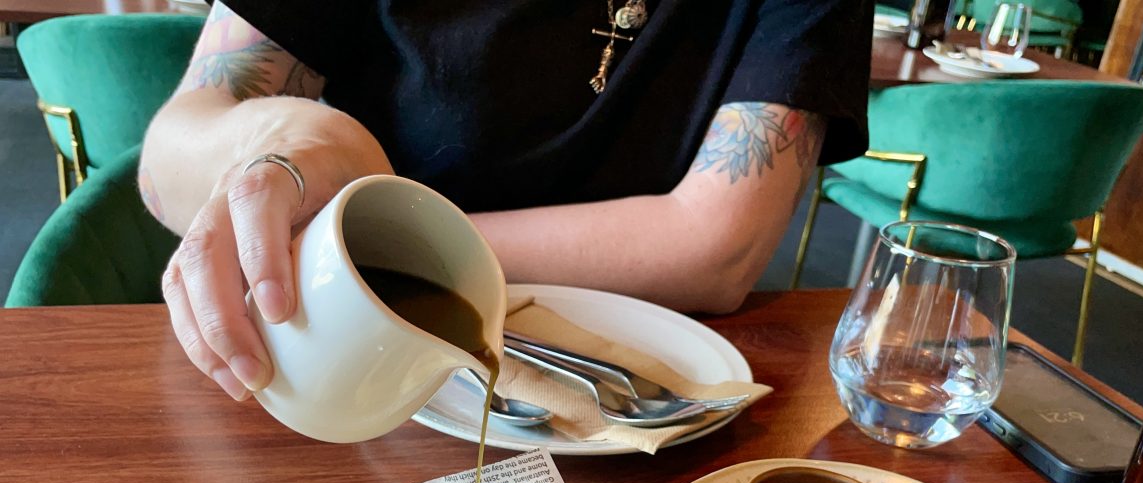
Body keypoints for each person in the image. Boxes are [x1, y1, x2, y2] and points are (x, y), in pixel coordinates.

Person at [140, 1, 871, 401]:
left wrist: (393, 235)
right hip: (342, 358)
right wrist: (294, 139)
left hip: (647, 391)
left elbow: (717, 248)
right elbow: (173, 150)